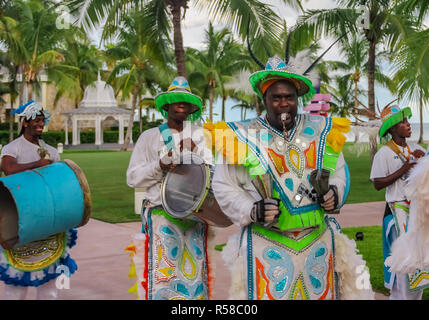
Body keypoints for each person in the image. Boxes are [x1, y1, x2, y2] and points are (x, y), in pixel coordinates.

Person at [209, 56, 374, 300]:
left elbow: (337, 171)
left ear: (298, 99)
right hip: (266, 242)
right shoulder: (241, 136)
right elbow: (223, 185)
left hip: (317, 241)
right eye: (276, 98)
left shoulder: (322, 129)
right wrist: (252, 209)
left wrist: (334, 194)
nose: (283, 103)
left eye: (289, 97)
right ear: (264, 100)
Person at [126, 77, 214, 300]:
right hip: (160, 215)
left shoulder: (200, 136)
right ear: (166, 106)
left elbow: (213, 175)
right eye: (177, 101)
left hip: (194, 217)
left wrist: (195, 156)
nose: (182, 105)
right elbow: (132, 178)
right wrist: (160, 164)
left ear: (193, 107)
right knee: (163, 278)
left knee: (194, 281)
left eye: (186, 101)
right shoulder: (149, 137)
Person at [0, 100, 77, 300]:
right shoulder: (13, 147)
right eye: (36, 119)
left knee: (49, 286)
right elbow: (7, 169)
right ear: (25, 122)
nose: (41, 123)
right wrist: (38, 164)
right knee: (16, 287)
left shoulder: (52, 151)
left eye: (43, 120)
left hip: (49, 222)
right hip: (20, 221)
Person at [370, 105, 425, 300]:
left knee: (419, 262)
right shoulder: (383, 154)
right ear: (392, 129)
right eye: (403, 122)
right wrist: (405, 168)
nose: (408, 124)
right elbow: (377, 183)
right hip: (396, 211)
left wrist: (423, 162)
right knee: (403, 265)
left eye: (407, 121)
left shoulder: (418, 149)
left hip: (416, 212)